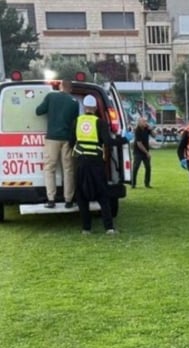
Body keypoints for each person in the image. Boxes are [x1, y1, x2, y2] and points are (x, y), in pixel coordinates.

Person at [71, 95, 127, 234]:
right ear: (95, 108)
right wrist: (124, 140)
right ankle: (109, 228)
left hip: (81, 162)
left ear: (84, 107)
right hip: (96, 162)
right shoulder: (100, 122)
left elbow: (71, 141)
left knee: (82, 196)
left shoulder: (77, 121)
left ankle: (86, 228)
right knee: (102, 195)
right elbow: (108, 142)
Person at [36, 79, 79, 208]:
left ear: (60, 86)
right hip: (67, 139)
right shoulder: (74, 102)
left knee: (50, 168)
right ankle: (68, 200)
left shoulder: (51, 96)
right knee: (68, 169)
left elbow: (38, 111)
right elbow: (74, 123)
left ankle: (51, 199)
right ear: (70, 89)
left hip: (52, 138)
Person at [131, 117, 155, 188]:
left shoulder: (147, 129)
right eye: (144, 121)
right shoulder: (137, 130)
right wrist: (147, 153)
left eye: (146, 121)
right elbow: (139, 144)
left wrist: (151, 130)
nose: (145, 123)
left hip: (145, 151)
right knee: (136, 167)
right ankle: (133, 183)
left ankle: (147, 183)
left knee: (148, 167)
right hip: (138, 152)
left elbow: (154, 135)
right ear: (139, 122)